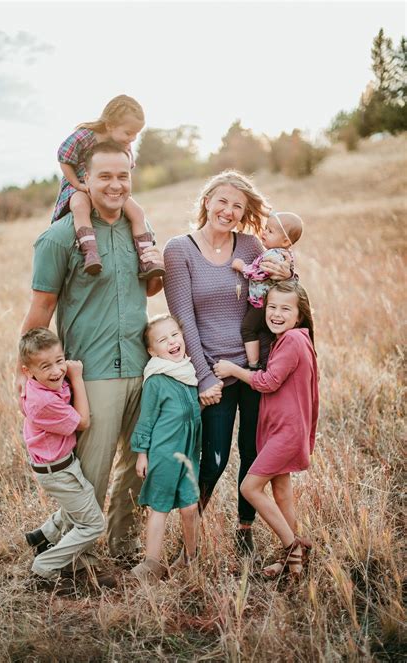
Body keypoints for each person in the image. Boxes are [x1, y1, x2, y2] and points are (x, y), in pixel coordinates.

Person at [16, 140, 165, 568]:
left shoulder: (139, 227)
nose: (115, 185)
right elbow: (40, 310)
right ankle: (68, 560)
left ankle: (122, 547)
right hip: (93, 372)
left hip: (141, 363)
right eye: (105, 176)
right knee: (90, 478)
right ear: (84, 179)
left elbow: (147, 288)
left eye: (123, 175)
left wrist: (159, 262)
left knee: (139, 467)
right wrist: (22, 373)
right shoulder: (60, 238)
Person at [163, 170, 291, 555]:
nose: (229, 210)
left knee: (252, 456)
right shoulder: (179, 249)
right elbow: (183, 319)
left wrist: (289, 271)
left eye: (237, 205)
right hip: (215, 376)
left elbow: (283, 296)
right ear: (206, 201)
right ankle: (190, 528)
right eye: (222, 201)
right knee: (214, 459)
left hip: (256, 372)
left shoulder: (251, 246)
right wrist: (203, 377)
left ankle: (244, 528)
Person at [214, 281, 319, 577]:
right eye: (271, 307)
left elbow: (268, 381)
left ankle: (293, 546)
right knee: (282, 491)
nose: (276, 313)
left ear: (299, 316)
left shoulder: (294, 342)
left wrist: (233, 370)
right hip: (282, 429)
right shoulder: (288, 339)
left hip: (286, 431)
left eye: (285, 309)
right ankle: (293, 564)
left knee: (249, 487)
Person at [19, 327, 112, 595]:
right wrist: (77, 378)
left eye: (60, 361)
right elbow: (83, 422)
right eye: (45, 366)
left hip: (58, 465)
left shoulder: (41, 386)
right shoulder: (44, 402)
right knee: (93, 523)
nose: (57, 371)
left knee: (78, 504)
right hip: (58, 470)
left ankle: (43, 536)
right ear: (28, 371)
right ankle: (44, 565)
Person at [52, 94, 164, 279]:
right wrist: (77, 184)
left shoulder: (123, 145)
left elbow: (126, 169)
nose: (132, 139)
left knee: (137, 212)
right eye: (128, 133)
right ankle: (90, 252)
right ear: (110, 125)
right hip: (79, 184)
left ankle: (147, 260)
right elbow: (64, 158)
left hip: (109, 187)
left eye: (136, 134)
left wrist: (121, 191)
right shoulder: (84, 136)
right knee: (80, 206)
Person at [129, 315, 202, 583]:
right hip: (163, 454)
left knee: (190, 507)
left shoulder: (188, 371)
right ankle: (152, 562)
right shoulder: (157, 379)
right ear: (152, 351)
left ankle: (190, 558)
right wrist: (141, 454)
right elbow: (146, 420)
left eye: (175, 335)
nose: (172, 342)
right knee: (158, 507)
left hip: (189, 454)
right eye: (163, 340)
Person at [232, 211, 303, 369]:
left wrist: (242, 267)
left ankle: (253, 364)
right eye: (265, 228)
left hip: (263, 304)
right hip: (268, 302)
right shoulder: (283, 254)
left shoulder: (274, 256)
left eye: (270, 231)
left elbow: (260, 273)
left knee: (248, 329)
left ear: (285, 241)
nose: (264, 233)